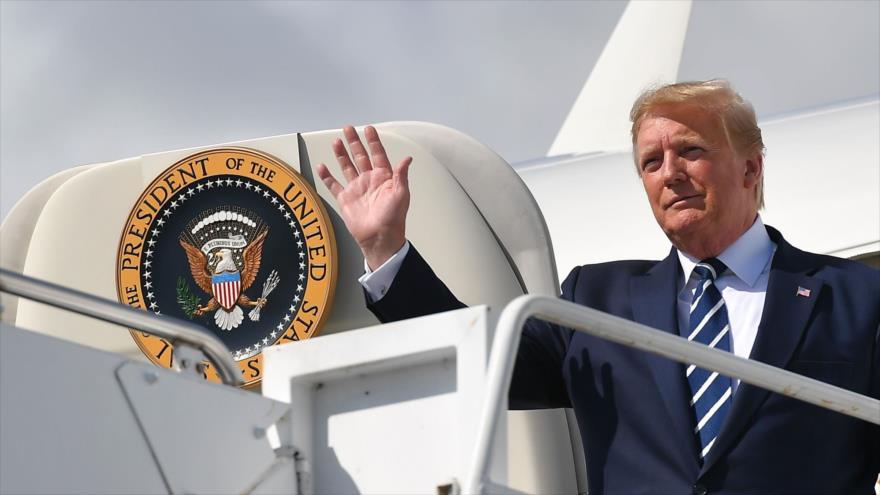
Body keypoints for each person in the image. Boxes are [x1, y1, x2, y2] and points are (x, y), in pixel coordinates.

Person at [316, 80, 880, 494]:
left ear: (751, 168)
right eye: (651, 162)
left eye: (691, 151)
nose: (670, 173)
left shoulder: (856, 297)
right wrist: (386, 248)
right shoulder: (598, 298)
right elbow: (483, 360)